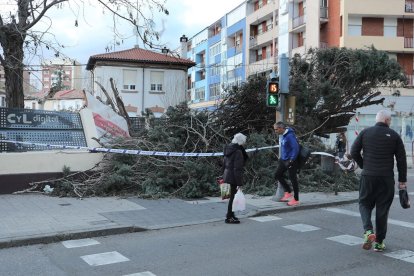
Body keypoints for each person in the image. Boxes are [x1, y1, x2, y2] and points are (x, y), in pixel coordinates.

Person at [351, 109, 407, 252]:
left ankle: (368, 231)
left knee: (364, 203)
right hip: (386, 179)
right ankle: (379, 243)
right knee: (382, 210)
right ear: (387, 121)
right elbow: (401, 160)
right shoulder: (394, 136)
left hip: (368, 176)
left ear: (377, 120)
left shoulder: (365, 133)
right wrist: (402, 181)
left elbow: (353, 152)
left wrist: (364, 165)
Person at [223, 133, 248, 224]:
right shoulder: (238, 151)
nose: (244, 144)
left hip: (227, 175)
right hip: (233, 176)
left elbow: (224, 163)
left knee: (231, 197)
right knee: (232, 198)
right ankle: (229, 217)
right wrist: (239, 182)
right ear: (241, 141)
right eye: (244, 142)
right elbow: (237, 168)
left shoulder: (228, 148)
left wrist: (223, 175)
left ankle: (231, 215)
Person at [274, 122, 300, 206]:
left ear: (281, 128)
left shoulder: (290, 135)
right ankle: (288, 192)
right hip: (284, 159)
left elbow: (295, 148)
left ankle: (296, 199)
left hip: (291, 160)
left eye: (276, 129)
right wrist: (281, 158)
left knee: (293, 179)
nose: (275, 131)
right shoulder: (284, 135)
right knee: (277, 175)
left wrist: (292, 160)